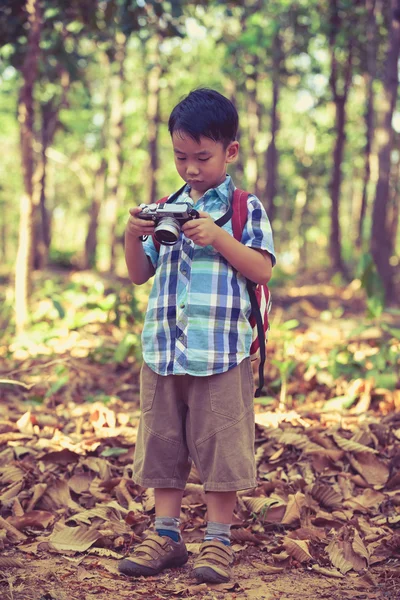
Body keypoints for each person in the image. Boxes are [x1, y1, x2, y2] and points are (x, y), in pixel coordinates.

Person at [119, 88, 276, 584]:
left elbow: (263, 270)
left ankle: (217, 540)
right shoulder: (167, 205)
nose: (190, 168)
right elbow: (139, 274)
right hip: (165, 349)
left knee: (220, 445)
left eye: (202, 157)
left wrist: (219, 237)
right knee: (163, 443)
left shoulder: (244, 207)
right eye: (180, 157)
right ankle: (166, 536)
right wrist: (133, 233)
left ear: (230, 151)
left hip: (221, 350)